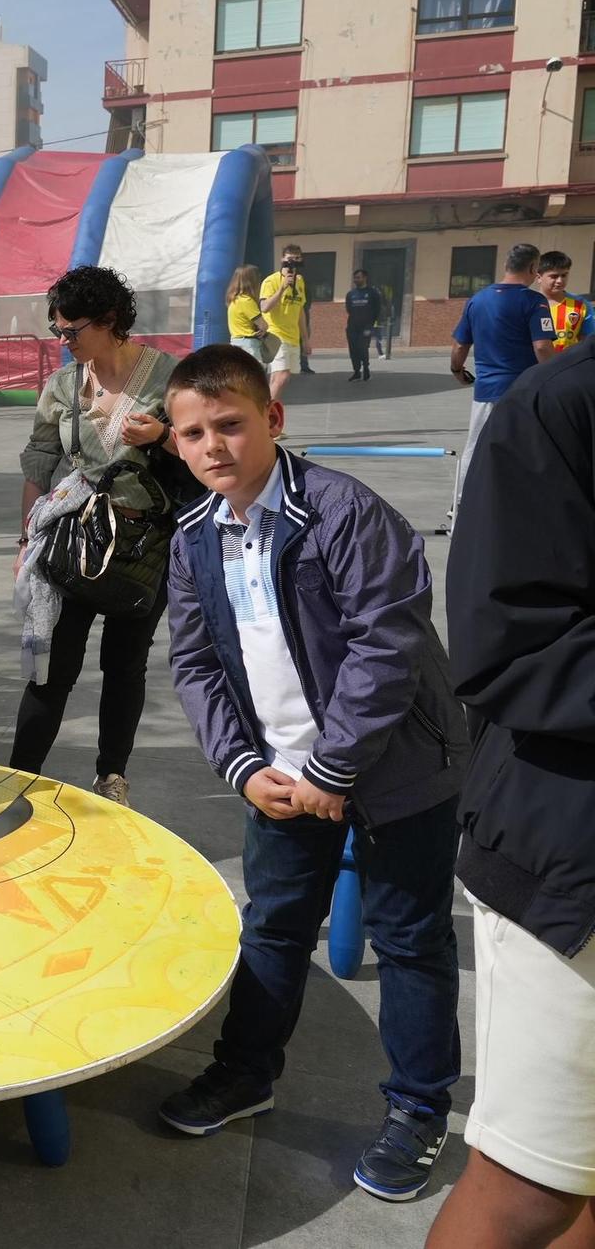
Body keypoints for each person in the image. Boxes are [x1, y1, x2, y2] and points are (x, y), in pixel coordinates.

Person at [158, 346, 466, 1203]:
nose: (214, 445)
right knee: (275, 928)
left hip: (397, 773)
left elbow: (388, 640)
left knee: (409, 942)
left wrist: (334, 764)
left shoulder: (344, 513)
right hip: (282, 782)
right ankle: (245, 1071)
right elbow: (195, 662)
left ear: (273, 421)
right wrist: (242, 765)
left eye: (230, 424)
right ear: (176, 445)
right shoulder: (193, 538)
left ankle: (416, 1107)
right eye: (194, 432)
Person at [429, 340, 595, 1248]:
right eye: (195, 432)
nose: (211, 446)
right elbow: (504, 648)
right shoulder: (559, 406)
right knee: (531, 1184)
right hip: (569, 858)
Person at [12, 265, 187, 807]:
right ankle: (20, 777)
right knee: (52, 666)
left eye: (72, 331)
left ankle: (112, 775)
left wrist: (163, 434)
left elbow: (211, 454)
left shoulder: (170, 379)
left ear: (110, 321)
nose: (63, 342)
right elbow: (40, 462)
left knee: (125, 663)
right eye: (57, 332)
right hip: (75, 539)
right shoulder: (63, 385)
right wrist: (24, 542)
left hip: (146, 545)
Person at [449, 242, 553, 528]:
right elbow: (543, 346)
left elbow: (460, 344)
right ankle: (521, 505)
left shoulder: (478, 299)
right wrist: (552, 377)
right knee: (529, 446)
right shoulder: (534, 302)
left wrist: (457, 370)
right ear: (533, 268)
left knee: (476, 446)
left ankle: (461, 504)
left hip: (486, 392)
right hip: (523, 391)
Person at [258, 244, 311, 397]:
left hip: (293, 337)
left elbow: (300, 311)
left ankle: (268, 407)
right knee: (281, 376)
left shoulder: (300, 281)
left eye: (296, 259)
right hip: (275, 334)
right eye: (289, 259)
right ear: (282, 259)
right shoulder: (271, 281)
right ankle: (266, 412)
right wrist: (281, 288)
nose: (292, 262)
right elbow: (264, 307)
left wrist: (306, 339)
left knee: (282, 378)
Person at [536, 249, 586, 352]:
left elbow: (585, 343)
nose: (560, 281)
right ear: (539, 277)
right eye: (554, 276)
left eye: (564, 275)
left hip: (568, 366)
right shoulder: (528, 304)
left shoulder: (579, 307)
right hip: (535, 366)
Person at [343, 268, 384, 383]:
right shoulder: (351, 294)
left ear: (365, 278)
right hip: (352, 326)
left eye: (358, 277)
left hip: (366, 327)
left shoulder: (372, 293)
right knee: (353, 350)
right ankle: (356, 372)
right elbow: (349, 309)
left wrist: (371, 324)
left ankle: (366, 369)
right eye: (355, 278)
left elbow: (377, 309)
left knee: (362, 348)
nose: (356, 280)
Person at [225, 264, 269, 366]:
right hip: (249, 346)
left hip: (236, 342)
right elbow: (262, 325)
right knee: (255, 377)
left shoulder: (234, 300)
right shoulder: (247, 301)